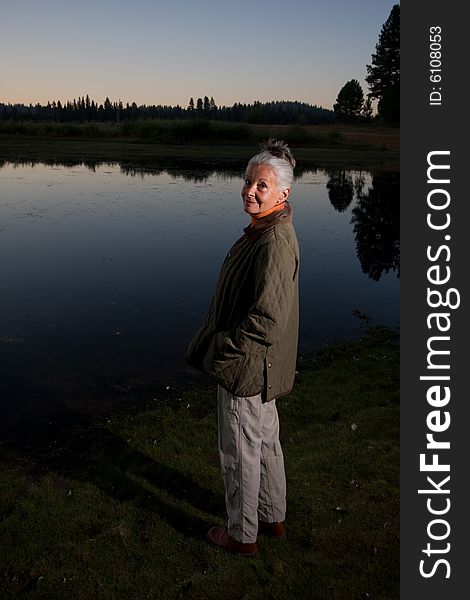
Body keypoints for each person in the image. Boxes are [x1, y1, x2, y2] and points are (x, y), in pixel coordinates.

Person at [185, 139, 299, 557]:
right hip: (261, 368)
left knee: (239, 453)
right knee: (266, 444)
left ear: (284, 194)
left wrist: (224, 352)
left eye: (261, 186)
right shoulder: (267, 230)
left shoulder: (273, 241)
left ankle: (241, 534)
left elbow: (268, 320)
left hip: (245, 370)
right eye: (248, 181)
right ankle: (273, 517)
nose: (249, 190)